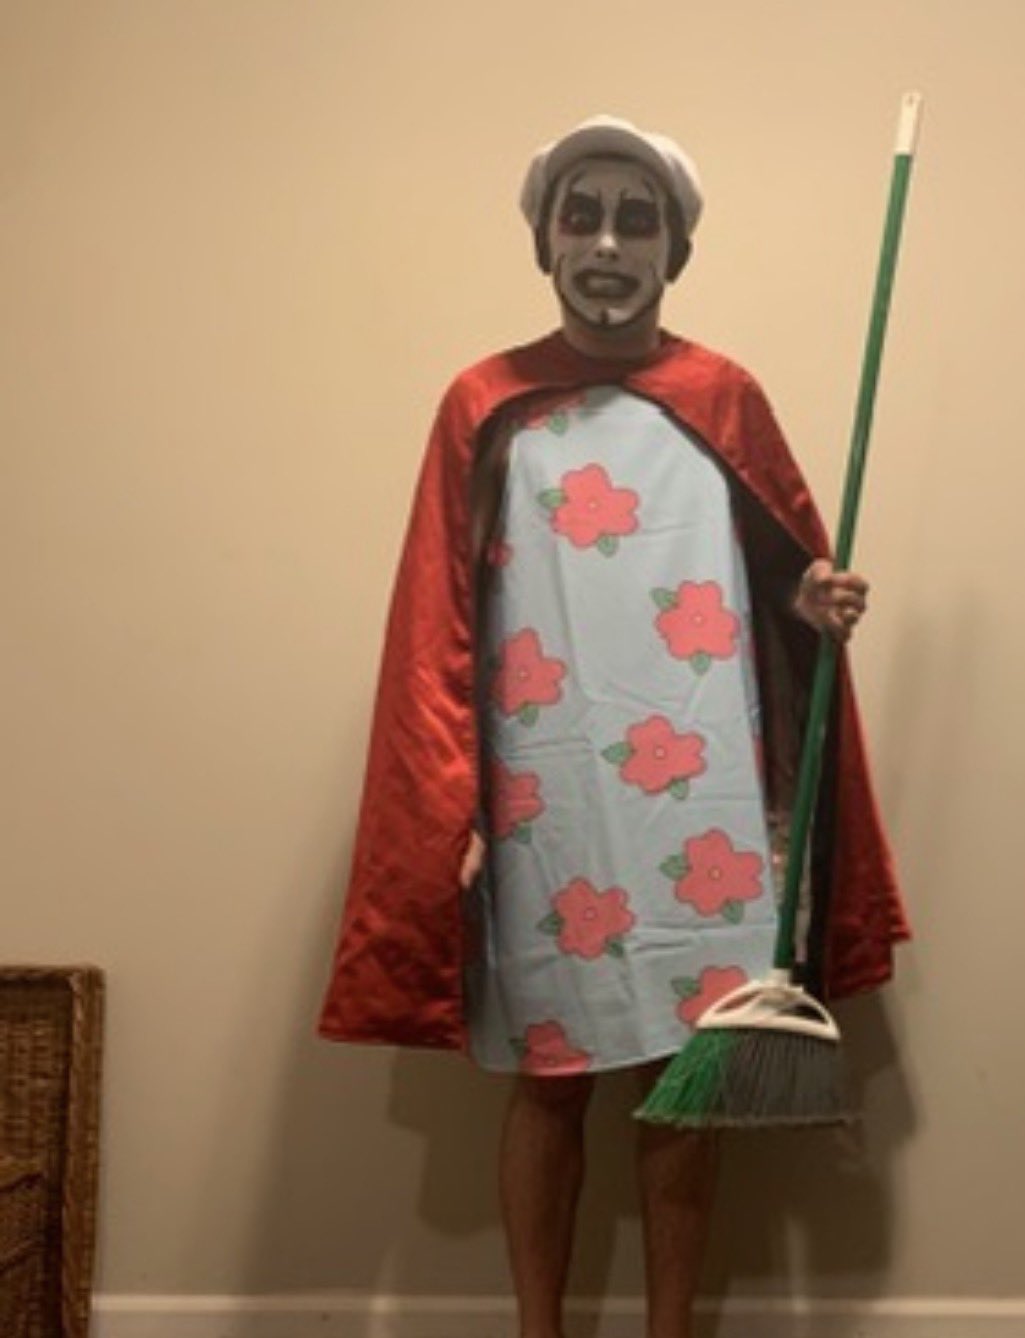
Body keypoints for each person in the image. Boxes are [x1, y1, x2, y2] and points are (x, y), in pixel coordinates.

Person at [319, 115, 908, 1338]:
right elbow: (438, 613)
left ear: (674, 251)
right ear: (543, 240)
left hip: (702, 801)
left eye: (636, 221)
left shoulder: (723, 397)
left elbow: (779, 572)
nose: (605, 244)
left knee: (686, 1076)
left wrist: (811, 598)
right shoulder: (486, 404)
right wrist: (450, 805)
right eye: (580, 216)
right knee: (549, 1082)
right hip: (547, 796)